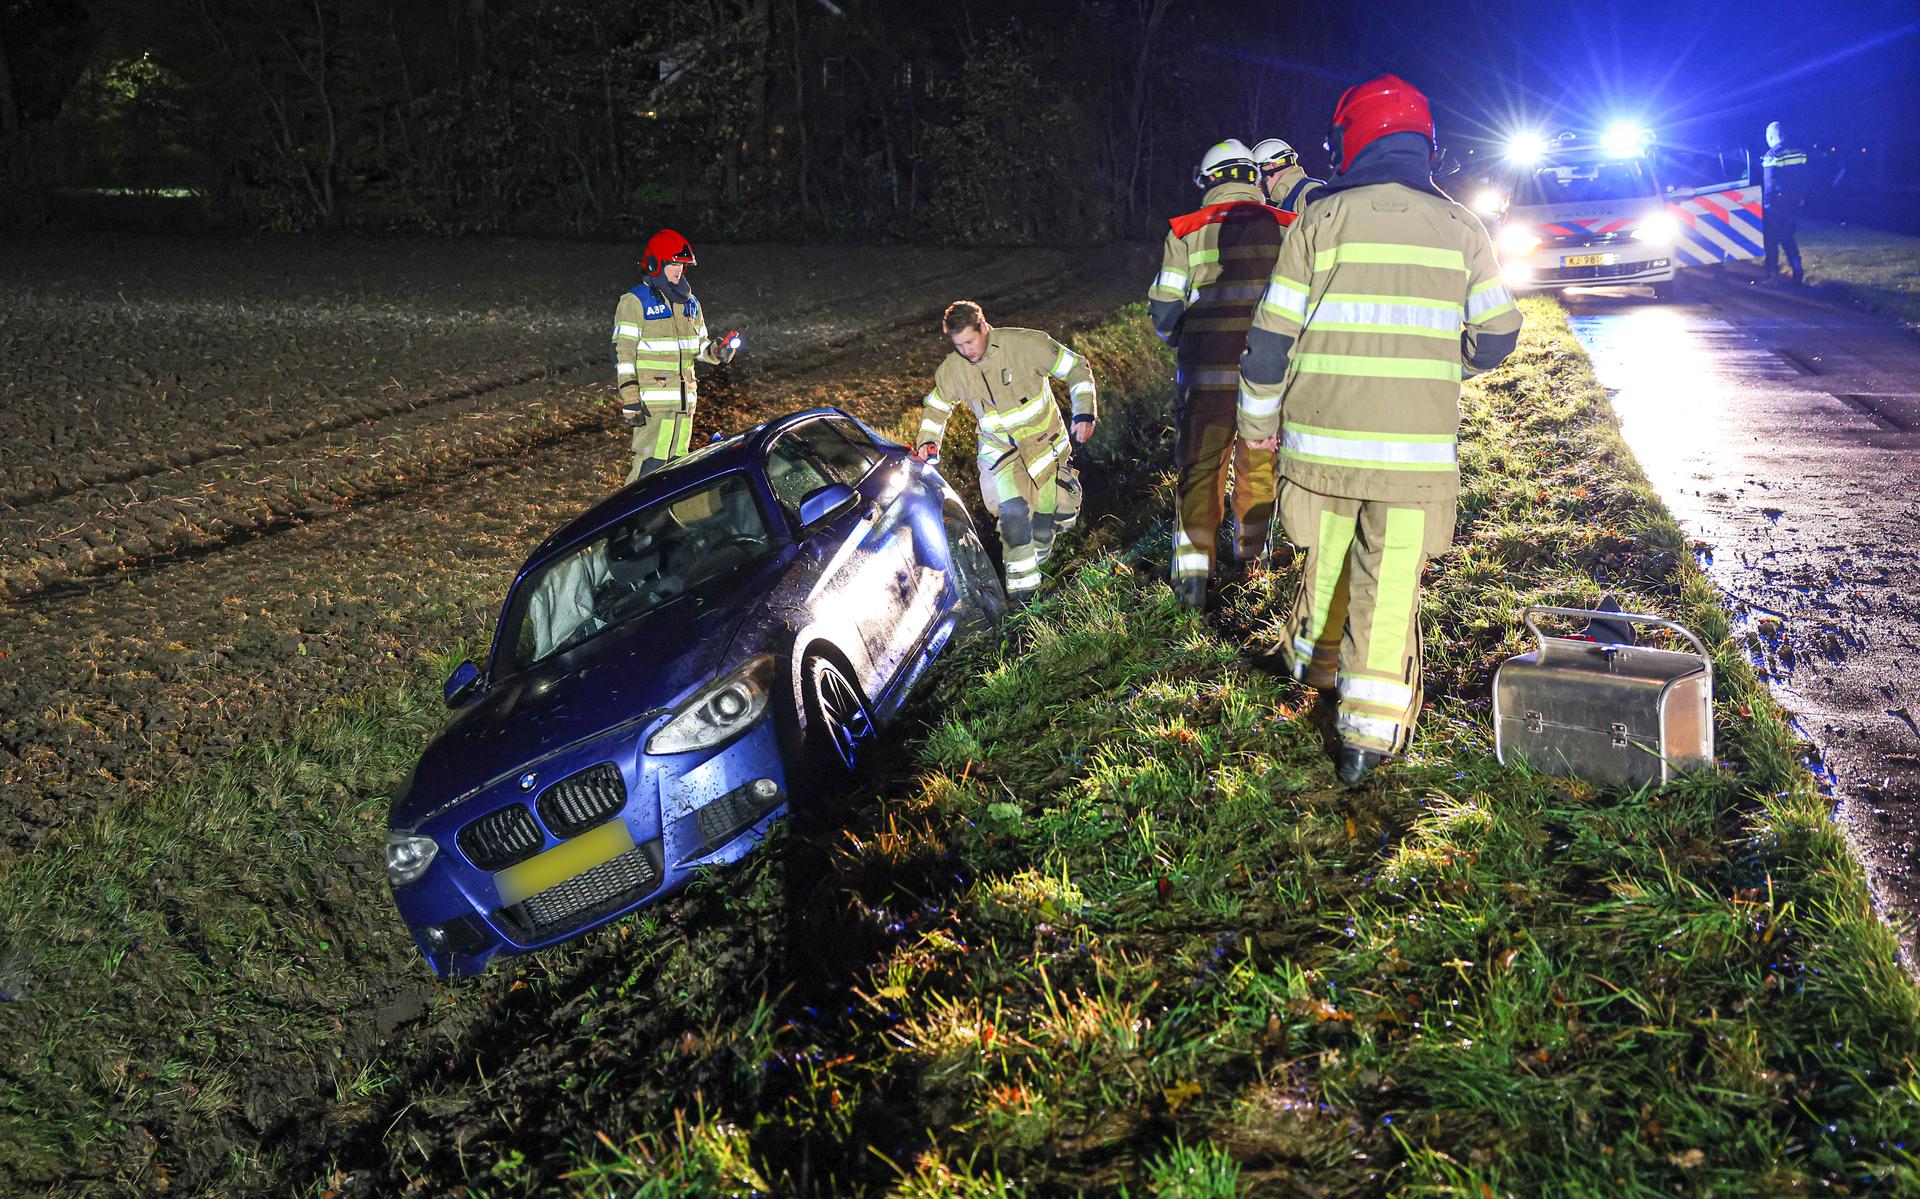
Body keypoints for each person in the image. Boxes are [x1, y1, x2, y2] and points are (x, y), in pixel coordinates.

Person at [1237, 73, 1523, 784]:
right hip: (1411, 460)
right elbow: (1497, 334)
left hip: (1321, 448)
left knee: (1327, 556)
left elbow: (1269, 343)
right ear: (1427, 145)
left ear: (1352, 141)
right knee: (1389, 584)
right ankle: (1364, 739)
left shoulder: (1317, 222)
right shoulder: (1461, 227)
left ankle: (1311, 666)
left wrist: (1258, 427)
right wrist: (1443, 360)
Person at [1146, 139, 1291, 610]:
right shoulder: (1289, 226)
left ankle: (1192, 583)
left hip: (1205, 375)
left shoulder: (1186, 230)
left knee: (1201, 470)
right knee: (1261, 466)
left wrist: (1187, 345)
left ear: (1209, 182)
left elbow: (1166, 308)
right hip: (1269, 380)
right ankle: (1252, 561)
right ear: (1253, 177)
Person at [913, 301, 1096, 605]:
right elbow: (936, 408)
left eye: (969, 341)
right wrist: (928, 440)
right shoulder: (953, 370)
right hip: (1000, 457)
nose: (966, 350)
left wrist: (1084, 414)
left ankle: (1045, 564)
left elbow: (1077, 368)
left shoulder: (1026, 345)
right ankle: (1024, 603)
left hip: (1046, 450)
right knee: (1013, 519)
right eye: (958, 345)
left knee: (1049, 523)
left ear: (983, 327)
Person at [610, 229, 740, 483]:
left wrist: (717, 351)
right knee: (648, 469)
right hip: (652, 406)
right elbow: (623, 354)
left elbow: (698, 346)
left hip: (685, 405)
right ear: (655, 264)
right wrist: (630, 399)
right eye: (673, 264)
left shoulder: (691, 304)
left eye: (682, 265)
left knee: (676, 472)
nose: (678, 270)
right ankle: (629, 520)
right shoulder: (634, 301)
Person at [1760, 121, 1808, 285]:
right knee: (1788, 238)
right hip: (1793, 204)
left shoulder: (1771, 155)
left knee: (1771, 241)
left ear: (1772, 136)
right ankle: (1797, 271)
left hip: (1774, 205)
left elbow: (1770, 183)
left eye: (1767, 136)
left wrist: (1766, 205)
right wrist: (1799, 197)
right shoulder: (1799, 153)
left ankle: (1771, 276)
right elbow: (1805, 178)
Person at [1252, 137, 1326, 217]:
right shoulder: (1287, 200)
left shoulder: (1311, 192)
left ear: (1272, 165)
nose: (1257, 183)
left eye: (1257, 173)